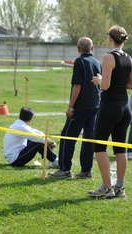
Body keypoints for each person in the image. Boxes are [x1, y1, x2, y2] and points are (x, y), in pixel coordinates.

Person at [49, 37, 101, 179]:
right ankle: (86, 170)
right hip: (95, 105)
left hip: (81, 106)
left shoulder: (80, 61)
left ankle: (65, 170)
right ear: (92, 48)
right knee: (88, 138)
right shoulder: (97, 63)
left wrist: (71, 106)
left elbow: (77, 85)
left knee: (66, 136)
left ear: (78, 49)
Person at [89, 25, 132, 198]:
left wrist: (99, 79)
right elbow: (130, 84)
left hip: (110, 106)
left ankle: (107, 187)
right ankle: (119, 188)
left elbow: (105, 85)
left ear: (110, 39)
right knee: (120, 149)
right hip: (125, 107)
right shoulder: (129, 58)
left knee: (99, 146)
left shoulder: (108, 57)